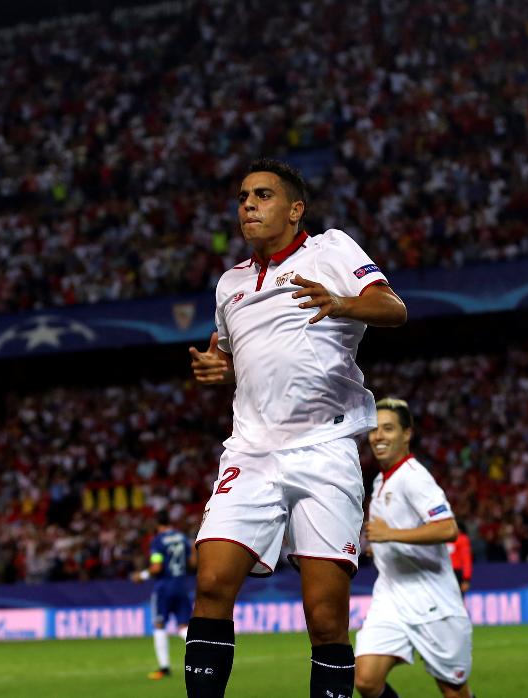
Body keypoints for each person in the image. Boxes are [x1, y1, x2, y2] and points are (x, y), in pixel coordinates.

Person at [186, 158, 407, 698]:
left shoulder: (329, 250)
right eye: (242, 198)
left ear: (294, 208)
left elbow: (393, 308)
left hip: (324, 447)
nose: (249, 206)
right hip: (251, 449)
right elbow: (236, 357)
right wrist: (221, 369)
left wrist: (341, 302)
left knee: (325, 616)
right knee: (212, 583)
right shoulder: (230, 284)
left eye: (262, 195)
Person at [354, 398, 474, 698]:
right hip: (391, 597)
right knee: (366, 680)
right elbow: (388, 533)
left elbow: (448, 528)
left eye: (389, 429)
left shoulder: (415, 477)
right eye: (375, 429)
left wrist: (391, 535)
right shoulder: (381, 480)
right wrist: (380, 546)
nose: (378, 436)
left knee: (453, 690)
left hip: (431, 600)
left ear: (407, 434)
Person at [133, 511, 194, 680]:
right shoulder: (182, 538)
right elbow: (192, 562)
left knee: (160, 625)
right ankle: (204, 654)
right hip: (182, 585)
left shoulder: (158, 541)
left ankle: (164, 667)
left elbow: (156, 567)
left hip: (164, 587)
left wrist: (141, 576)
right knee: (183, 626)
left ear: (156, 525)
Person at [448, 523, 473, 598]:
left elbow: (466, 560)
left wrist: (466, 579)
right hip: (443, 572)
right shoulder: (441, 540)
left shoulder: (462, 539)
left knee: (457, 599)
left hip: (456, 573)